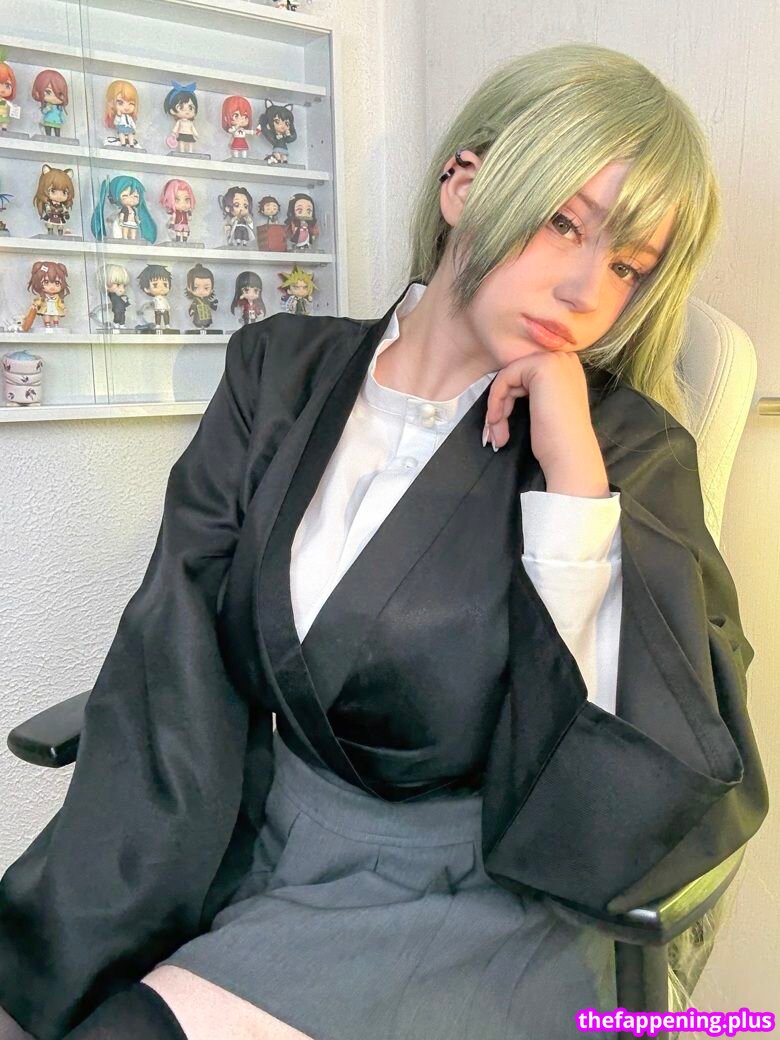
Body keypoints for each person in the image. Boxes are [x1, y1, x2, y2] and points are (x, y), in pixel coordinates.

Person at [0, 42, 768, 1040]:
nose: (587, 287)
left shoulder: (625, 446)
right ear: (465, 184)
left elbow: (634, 752)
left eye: (627, 265)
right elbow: (172, 649)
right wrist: (76, 922)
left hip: (465, 894)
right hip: (257, 825)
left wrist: (573, 476)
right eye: (563, 222)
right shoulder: (279, 373)